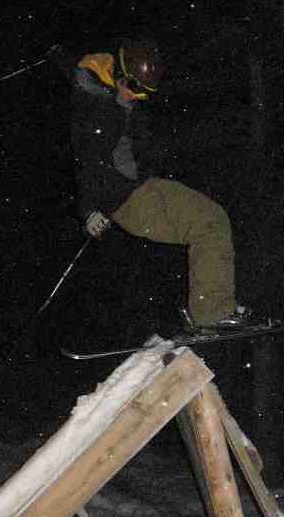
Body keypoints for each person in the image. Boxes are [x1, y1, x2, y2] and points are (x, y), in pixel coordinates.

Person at [69, 39, 255, 330]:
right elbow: (88, 158)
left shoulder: (114, 98)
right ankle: (211, 312)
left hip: (141, 187)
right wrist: (90, 209)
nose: (137, 95)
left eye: (145, 92)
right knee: (209, 222)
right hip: (127, 198)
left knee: (212, 219)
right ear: (118, 73)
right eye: (133, 86)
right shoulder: (98, 106)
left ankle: (210, 309)